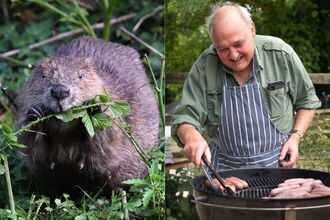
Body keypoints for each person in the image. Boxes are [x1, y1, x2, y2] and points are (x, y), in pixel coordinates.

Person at [171, 2, 321, 172]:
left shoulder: (280, 54)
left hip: (279, 165)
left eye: (238, 44)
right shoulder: (204, 67)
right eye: (223, 49)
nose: (233, 55)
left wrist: (295, 137)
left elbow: (307, 102)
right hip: (224, 171)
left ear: (252, 29)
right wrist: (191, 137)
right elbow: (184, 118)